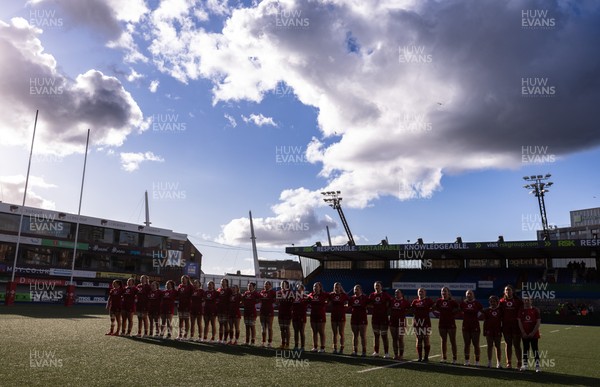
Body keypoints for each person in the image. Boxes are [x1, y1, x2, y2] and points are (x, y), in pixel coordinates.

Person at [500, 285, 523, 369]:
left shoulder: (518, 301)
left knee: (517, 345)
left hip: (516, 326)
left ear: (512, 291)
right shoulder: (501, 302)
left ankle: (519, 363)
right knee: (508, 344)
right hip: (506, 327)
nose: (508, 292)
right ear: (504, 292)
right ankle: (508, 363)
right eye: (506, 290)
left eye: (509, 290)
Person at [434, 286, 459, 364]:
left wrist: (453, 314)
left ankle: (454, 358)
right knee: (443, 341)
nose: (443, 292)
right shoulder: (439, 301)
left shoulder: (452, 301)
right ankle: (444, 357)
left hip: (451, 323)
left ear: (448, 292)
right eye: (442, 291)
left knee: (452, 341)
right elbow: (435, 308)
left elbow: (459, 309)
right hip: (442, 323)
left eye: (445, 291)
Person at [368, 281, 392, 358]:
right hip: (375, 318)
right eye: (375, 286)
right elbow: (369, 303)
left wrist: (387, 312)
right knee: (376, 336)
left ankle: (386, 353)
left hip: (383, 318)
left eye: (378, 285)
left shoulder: (385, 295)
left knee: (384, 336)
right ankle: (376, 352)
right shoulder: (372, 295)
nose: (376, 287)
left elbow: (390, 303)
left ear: (381, 287)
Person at [518, 297, 542, 372]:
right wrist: (523, 333)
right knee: (525, 349)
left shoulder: (535, 310)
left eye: (528, 300)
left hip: (534, 334)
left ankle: (537, 366)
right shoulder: (521, 310)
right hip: (524, 334)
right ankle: (525, 365)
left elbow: (538, 322)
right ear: (523, 301)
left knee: (535, 349)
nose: (526, 302)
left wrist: (532, 333)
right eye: (525, 300)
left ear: (531, 301)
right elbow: (519, 322)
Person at [460, 289, 483, 366]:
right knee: (466, 344)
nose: (469, 295)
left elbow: (482, 313)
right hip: (465, 326)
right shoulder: (463, 303)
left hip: (475, 326)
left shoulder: (477, 303)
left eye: (470, 293)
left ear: (473, 295)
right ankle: (467, 361)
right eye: (467, 294)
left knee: (476, 344)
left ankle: (477, 361)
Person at [411, 287, 434, 362]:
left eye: (422, 291)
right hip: (417, 323)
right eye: (419, 291)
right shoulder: (415, 301)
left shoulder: (428, 300)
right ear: (417, 293)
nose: (420, 293)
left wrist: (429, 310)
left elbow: (434, 307)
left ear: (425, 293)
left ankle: (426, 357)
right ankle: (420, 357)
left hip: (426, 322)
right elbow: (411, 309)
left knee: (426, 339)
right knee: (419, 339)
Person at [389, 289, 411, 361]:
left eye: (398, 292)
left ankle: (401, 355)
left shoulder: (405, 302)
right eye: (395, 293)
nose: (396, 294)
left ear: (402, 294)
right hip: (392, 322)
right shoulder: (392, 301)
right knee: (394, 339)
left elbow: (410, 309)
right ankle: (396, 355)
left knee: (400, 339)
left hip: (401, 323)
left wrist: (404, 314)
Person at [308, 282, 328, 352]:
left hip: (321, 315)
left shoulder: (324, 294)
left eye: (316, 286)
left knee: (321, 332)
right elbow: (306, 300)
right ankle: (315, 347)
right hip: (313, 315)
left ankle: (322, 348)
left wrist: (327, 303)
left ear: (320, 287)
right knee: (314, 332)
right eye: (314, 286)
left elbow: (331, 298)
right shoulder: (311, 295)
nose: (315, 288)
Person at [329, 282, 349, 354]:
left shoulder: (344, 295)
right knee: (334, 333)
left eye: (337, 287)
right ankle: (334, 348)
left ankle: (341, 348)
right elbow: (328, 302)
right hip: (334, 316)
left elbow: (348, 303)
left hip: (341, 316)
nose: (336, 288)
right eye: (335, 287)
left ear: (340, 287)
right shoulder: (331, 295)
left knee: (341, 333)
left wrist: (344, 308)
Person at [483, 295, 503, 368]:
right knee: (489, 346)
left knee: (498, 346)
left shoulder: (500, 310)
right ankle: (489, 362)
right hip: (489, 330)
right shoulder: (487, 310)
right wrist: (484, 331)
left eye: (494, 301)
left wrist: (502, 329)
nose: (492, 303)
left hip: (497, 330)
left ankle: (499, 363)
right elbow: (485, 321)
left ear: (497, 302)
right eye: (491, 301)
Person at [349, 284, 369, 357]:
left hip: (362, 319)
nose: (356, 291)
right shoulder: (351, 298)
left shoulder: (365, 298)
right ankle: (355, 351)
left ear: (360, 290)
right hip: (354, 319)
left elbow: (370, 304)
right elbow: (348, 306)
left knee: (363, 335)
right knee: (355, 335)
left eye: (357, 289)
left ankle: (364, 351)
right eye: (355, 289)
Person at [277, 280, 294, 349]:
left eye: (283, 284)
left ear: (287, 285)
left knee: (286, 328)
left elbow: (292, 303)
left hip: (287, 312)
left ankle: (287, 344)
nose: (282, 285)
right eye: (281, 284)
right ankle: (283, 343)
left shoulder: (290, 292)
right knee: (282, 329)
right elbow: (277, 302)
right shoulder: (279, 292)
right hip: (281, 312)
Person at [260, 281, 277, 348]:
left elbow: (277, 299)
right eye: (265, 284)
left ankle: (269, 342)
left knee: (269, 328)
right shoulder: (262, 292)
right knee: (263, 328)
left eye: (267, 284)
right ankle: (263, 342)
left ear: (270, 285)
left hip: (269, 312)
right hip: (262, 312)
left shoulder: (273, 292)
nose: (265, 285)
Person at [176, 275, 194, 340]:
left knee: (186, 321)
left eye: (184, 279)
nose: (182, 280)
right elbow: (177, 295)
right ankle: (180, 335)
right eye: (182, 279)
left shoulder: (190, 287)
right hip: (180, 306)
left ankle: (185, 335)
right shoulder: (180, 286)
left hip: (187, 306)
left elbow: (192, 296)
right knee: (180, 321)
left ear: (187, 279)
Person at [291, 283, 308, 351]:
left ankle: (302, 346)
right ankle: (296, 346)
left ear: (303, 289)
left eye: (300, 288)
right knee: (295, 331)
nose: (298, 289)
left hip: (302, 316)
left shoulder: (305, 297)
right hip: (295, 316)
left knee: (301, 331)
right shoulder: (293, 297)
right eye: (297, 288)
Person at [216, 278, 232, 344]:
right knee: (220, 325)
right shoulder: (219, 290)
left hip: (226, 310)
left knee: (225, 325)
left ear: (226, 283)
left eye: (223, 281)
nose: (222, 283)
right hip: (220, 310)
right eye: (221, 281)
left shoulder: (229, 290)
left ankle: (225, 339)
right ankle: (220, 339)